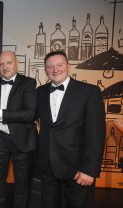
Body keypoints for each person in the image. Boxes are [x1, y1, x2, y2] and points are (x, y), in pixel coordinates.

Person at [36, 50, 106, 208]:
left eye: (60, 65)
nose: (55, 70)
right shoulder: (40, 92)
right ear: (45, 70)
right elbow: (26, 116)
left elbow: (96, 134)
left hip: (77, 169)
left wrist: (89, 170)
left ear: (68, 66)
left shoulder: (90, 92)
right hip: (48, 168)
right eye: (50, 66)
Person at [0, 51, 38, 208]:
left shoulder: (29, 83)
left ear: (16, 63)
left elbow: (29, 113)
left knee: (22, 184)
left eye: (8, 62)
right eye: (1, 64)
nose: (5, 67)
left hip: (23, 140)